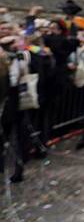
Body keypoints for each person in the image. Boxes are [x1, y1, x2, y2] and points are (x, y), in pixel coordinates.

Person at [0, 33, 31, 182]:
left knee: (7, 137)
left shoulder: (9, 61)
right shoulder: (20, 58)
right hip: (17, 101)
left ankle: (10, 169)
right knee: (17, 138)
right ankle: (18, 169)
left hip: (8, 103)